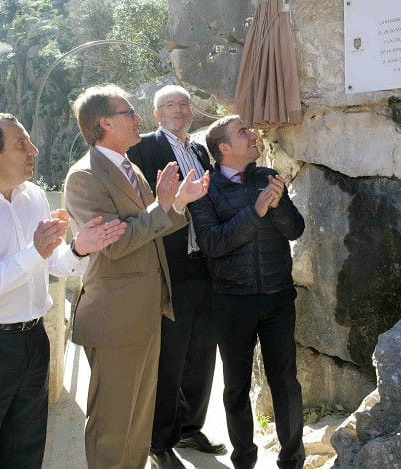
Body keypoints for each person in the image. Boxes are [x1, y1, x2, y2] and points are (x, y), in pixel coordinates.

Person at [0, 112, 126, 468]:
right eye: (21, 143)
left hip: (34, 341)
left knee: (26, 451)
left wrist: (80, 248)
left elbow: (51, 266)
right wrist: (35, 252)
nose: (33, 149)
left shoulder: (33, 195)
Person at [63, 84, 210, 469]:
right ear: (105, 123)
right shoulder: (85, 177)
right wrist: (165, 207)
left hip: (146, 311)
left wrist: (178, 203)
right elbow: (116, 242)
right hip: (115, 317)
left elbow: (154, 226)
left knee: (138, 423)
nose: (139, 119)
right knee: (113, 425)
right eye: (130, 113)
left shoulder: (129, 169)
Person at [190, 115, 306, 469]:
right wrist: (255, 212)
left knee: (285, 381)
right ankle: (244, 458)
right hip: (231, 302)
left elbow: (295, 229)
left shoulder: (267, 176)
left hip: (277, 299)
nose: (254, 135)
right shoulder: (204, 188)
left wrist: (278, 203)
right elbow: (212, 243)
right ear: (224, 148)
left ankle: (292, 458)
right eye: (244, 132)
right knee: (236, 387)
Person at [127, 84, 225, 467]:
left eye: (184, 103)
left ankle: (190, 427)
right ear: (157, 114)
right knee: (169, 356)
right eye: (170, 104)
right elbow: (138, 205)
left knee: (202, 351)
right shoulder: (144, 148)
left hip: (205, 262)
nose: (179, 110)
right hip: (170, 264)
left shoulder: (199, 149)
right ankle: (160, 440)